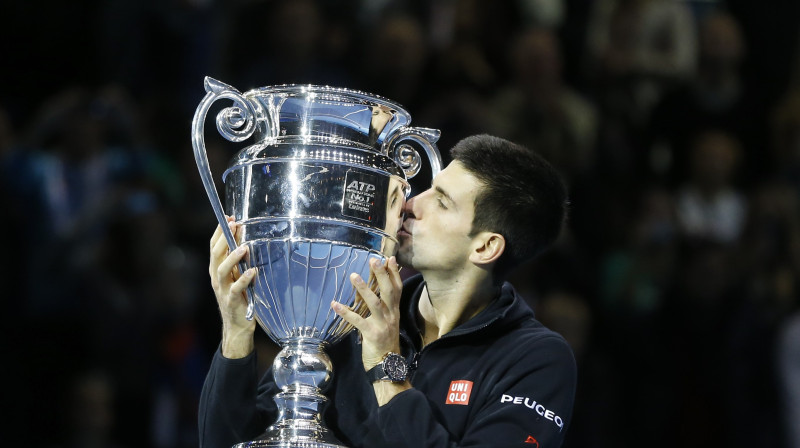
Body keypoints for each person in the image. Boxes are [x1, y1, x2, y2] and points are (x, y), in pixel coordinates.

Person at [199, 134, 577, 447]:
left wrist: (386, 366)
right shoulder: (352, 312)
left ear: (485, 247)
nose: (411, 204)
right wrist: (236, 333)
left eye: (442, 202)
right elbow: (233, 441)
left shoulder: (536, 359)